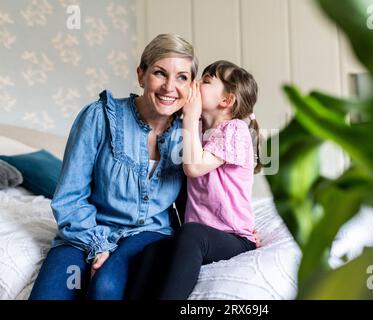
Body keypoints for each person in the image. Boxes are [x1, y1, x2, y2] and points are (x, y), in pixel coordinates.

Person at [29, 33, 198, 300]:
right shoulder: (99, 117)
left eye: (182, 77)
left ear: (191, 87)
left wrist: (237, 228)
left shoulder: (189, 134)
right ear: (141, 75)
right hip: (83, 233)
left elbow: (198, 200)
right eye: (159, 73)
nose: (169, 87)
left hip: (149, 237)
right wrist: (98, 246)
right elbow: (69, 197)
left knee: (106, 289)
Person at [131, 60, 262, 300]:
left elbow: (193, 167)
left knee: (191, 235)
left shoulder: (235, 130)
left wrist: (190, 116)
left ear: (226, 101)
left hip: (234, 237)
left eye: (207, 80)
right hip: (199, 235)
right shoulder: (198, 130)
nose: (196, 83)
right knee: (150, 252)